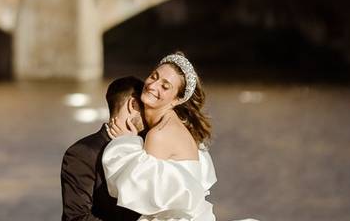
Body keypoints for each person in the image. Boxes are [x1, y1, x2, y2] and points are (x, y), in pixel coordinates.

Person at [103, 52, 256, 221]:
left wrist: (127, 143)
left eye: (165, 86)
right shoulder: (175, 125)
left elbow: (138, 192)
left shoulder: (159, 134)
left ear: (176, 100)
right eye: (154, 76)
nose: (153, 86)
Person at [60, 76, 145, 221]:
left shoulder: (149, 147)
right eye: (147, 107)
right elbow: (76, 217)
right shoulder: (82, 153)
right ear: (134, 104)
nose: (152, 114)